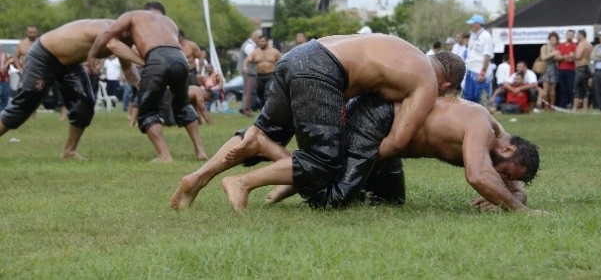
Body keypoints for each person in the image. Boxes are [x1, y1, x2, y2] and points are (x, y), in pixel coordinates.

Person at [170, 37, 462, 210]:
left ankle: (198, 177)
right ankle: (241, 183)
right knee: (324, 162)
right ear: (446, 83)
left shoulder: (405, 51)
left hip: (297, 57)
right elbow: (398, 141)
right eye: (445, 93)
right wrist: (364, 159)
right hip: (322, 70)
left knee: (265, 129)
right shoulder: (426, 79)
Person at [216, 94, 542, 214]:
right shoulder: (481, 126)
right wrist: (521, 211)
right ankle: (263, 149)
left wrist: (518, 195)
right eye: (508, 172)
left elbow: (504, 181)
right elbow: (478, 176)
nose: (503, 178)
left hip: (389, 150)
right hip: (375, 124)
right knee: (333, 197)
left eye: (508, 178)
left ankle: (291, 179)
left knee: (391, 201)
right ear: (509, 149)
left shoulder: (497, 138)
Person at [1, 19, 141, 160]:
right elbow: (113, 44)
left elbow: (128, 69)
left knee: (84, 104)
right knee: (23, 106)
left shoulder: (125, 40)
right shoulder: (107, 28)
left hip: (70, 65)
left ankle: (69, 152)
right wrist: (143, 61)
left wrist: (143, 87)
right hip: (44, 56)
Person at [88, 2, 207, 162]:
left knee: (147, 112)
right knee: (183, 105)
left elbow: (108, 33)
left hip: (156, 57)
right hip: (180, 59)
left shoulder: (131, 15)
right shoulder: (168, 21)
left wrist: (92, 55)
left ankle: (164, 156)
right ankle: (200, 152)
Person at [242, 35, 281, 109]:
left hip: (270, 75)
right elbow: (247, 60)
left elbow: (282, 62)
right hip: (259, 76)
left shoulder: (274, 52)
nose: (260, 43)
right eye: (259, 42)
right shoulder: (255, 52)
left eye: (262, 41)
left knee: (268, 92)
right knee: (259, 93)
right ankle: (262, 107)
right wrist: (245, 66)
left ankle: (267, 109)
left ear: (267, 42)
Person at [463, 14, 493, 105]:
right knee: (469, 98)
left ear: (478, 24)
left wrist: (482, 73)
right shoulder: (473, 35)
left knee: (481, 98)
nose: (470, 25)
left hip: (480, 72)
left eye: (472, 23)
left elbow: (487, 56)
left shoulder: (486, 36)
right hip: (470, 70)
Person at [239, 30, 261, 117]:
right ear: (256, 38)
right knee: (248, 91)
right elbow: (254, 58)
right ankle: (246, 109)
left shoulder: (250, 45)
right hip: (249, 72)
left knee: (248, 90)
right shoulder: (249, 46)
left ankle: (244, 108)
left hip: (250, 72)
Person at [556, 30, 577, 109]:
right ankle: (562, 105)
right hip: (561, 69)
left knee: (571, 88)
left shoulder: (574, 46)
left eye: (571, 35)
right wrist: (566, 56)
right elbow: (557, 57)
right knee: (562, 88)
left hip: (571, 70)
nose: (570, 36)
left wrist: (562, 56)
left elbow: (571, 59)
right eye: (568, 34)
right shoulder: (561, 45)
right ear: (566, 35)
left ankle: (572, 104)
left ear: (573, 36)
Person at [539, 32, 559, 111]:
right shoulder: (544, 47)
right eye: (551, 40)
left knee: (552, 91)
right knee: (545, 90)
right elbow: (543, 57)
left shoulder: (558, 47)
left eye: (555, 40)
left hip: (554, 69)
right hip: (546, 69)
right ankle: (546, 106)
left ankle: (552, 106)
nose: (553, 41)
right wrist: (553, 53)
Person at [0, 46, 17, 111]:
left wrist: (11, 61)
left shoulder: (6, 56)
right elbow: (2, 69)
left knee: (5, 99)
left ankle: (2, 116)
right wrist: (7, 63)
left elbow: (14, 63)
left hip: (5, 81)